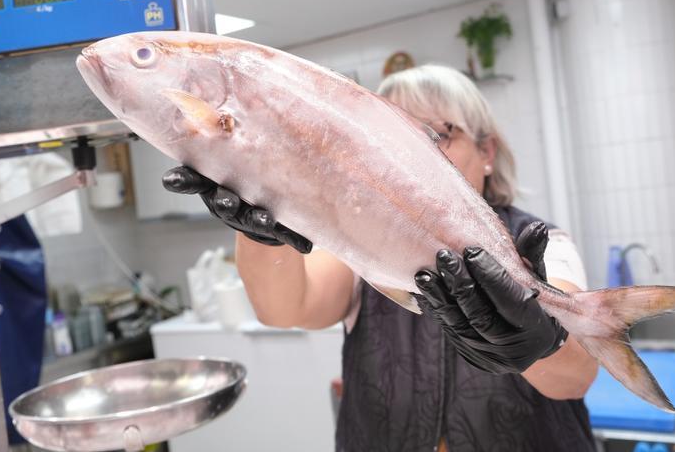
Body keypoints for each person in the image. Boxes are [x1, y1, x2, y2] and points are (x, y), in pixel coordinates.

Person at [163, 64, 599, 451]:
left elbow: (576, 378)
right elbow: (285, 308)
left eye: (437, 136)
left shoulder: (539, 242)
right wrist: (263, 230)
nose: (411, 156)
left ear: (486, 153)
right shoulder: (358, 239)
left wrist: (543, 342)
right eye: (391, 139)